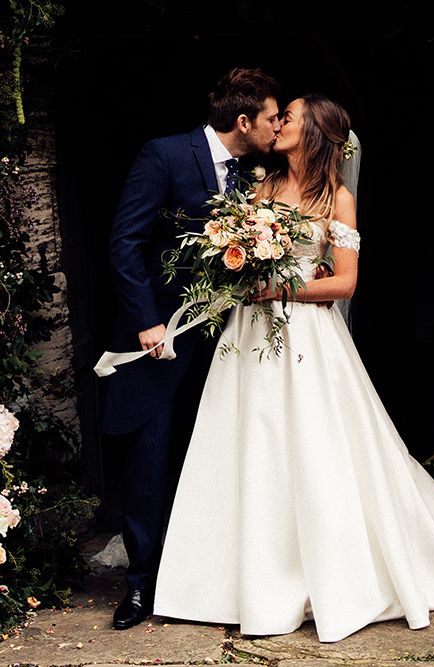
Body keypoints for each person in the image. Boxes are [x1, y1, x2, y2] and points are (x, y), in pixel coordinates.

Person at [152, 94, 434, 642]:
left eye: (290, 117)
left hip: (304, 337)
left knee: (315, 447)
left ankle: (327, 573)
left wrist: (279, 287)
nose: (279, 124)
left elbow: (345, 282)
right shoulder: (261, 186)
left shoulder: (338, 199)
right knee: (250, 442)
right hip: (252, 332)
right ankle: (235, 579)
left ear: (315, 133)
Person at [101, 66, 281, 630]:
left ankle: (205, 580)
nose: (278, 128)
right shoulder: (166, 155)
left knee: (215, 462)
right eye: (272, 118)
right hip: (165, 340)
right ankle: (139, 588)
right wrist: (148, 324)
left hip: (230, 343)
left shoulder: (259, 174)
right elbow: (125, 242)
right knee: (151, 462)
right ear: (245, 120)